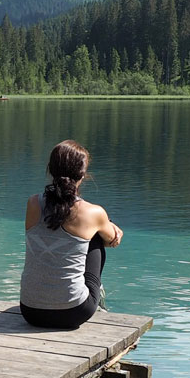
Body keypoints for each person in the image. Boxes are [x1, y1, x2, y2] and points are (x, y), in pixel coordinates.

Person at [20, 139, 123, 329]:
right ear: (83, 175)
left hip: (30, 311)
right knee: (96, 238)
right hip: (74, 312)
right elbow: (113, 239)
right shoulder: (93, 213)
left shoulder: (33, 203)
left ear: (50, 170)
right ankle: (96, 296)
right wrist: (104, 225)